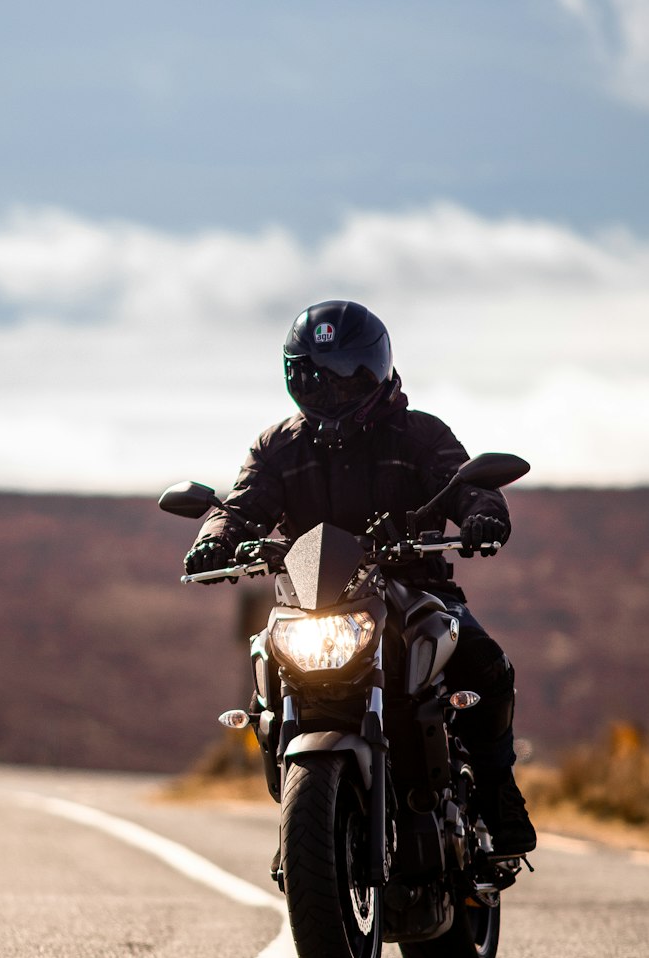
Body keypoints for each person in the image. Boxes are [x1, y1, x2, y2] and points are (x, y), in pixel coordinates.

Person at [184, 299, 537, 858]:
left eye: (346, 375)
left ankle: (498, 793)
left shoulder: (418, 435)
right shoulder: (278, 447)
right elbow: (241, 505)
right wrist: (214, 539)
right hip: (314, 601)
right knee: (265, 672)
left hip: (415, 588)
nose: (333, 390)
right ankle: (304, 814)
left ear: (375, 369)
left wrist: (481, 514)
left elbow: (465, 482)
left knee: (486, 665)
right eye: (314, 376)